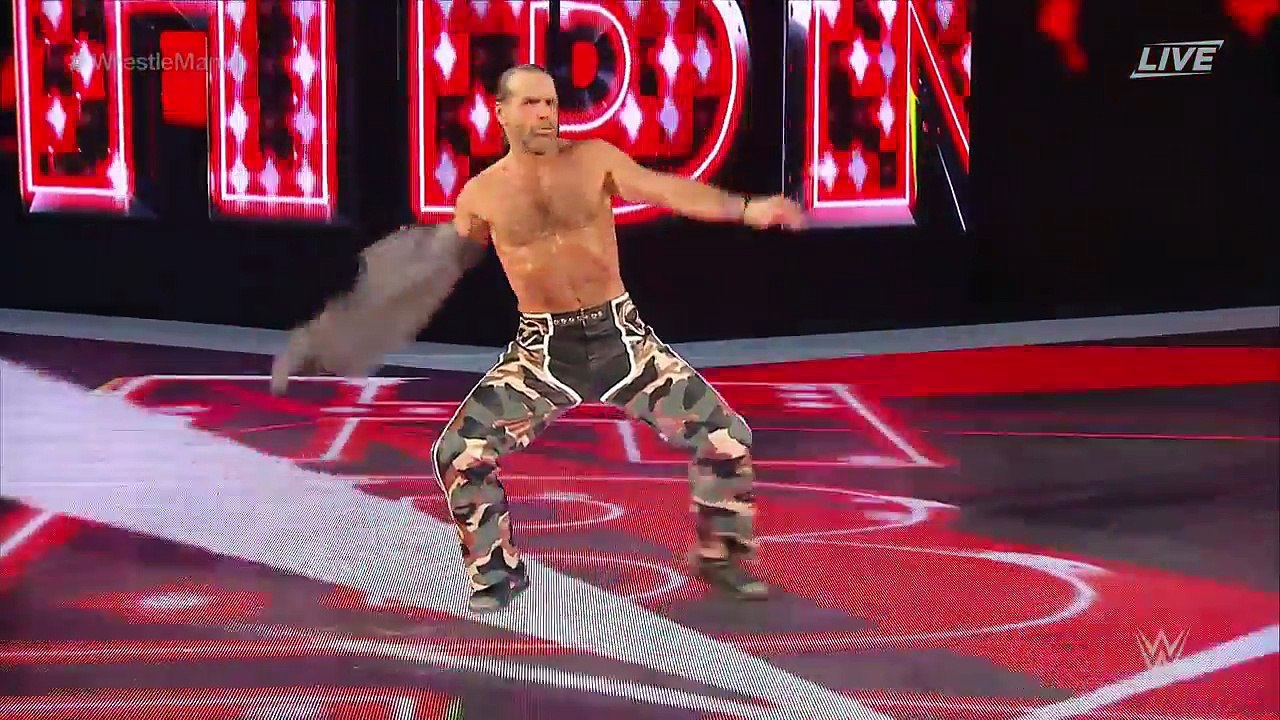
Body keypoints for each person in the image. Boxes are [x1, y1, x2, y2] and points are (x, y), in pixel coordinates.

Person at [273, 63, 806, 613]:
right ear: (502, 113)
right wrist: (334, 338)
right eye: (530, 104)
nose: (546, 114)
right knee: (459, 453)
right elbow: (429, 275)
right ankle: (496, 573)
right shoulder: (482, 195)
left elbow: (664, 189)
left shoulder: (594, 159)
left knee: (726, 437)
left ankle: (721, 554)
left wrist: (746, 208)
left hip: (620, 337)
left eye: (551, 103)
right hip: (544, 351)